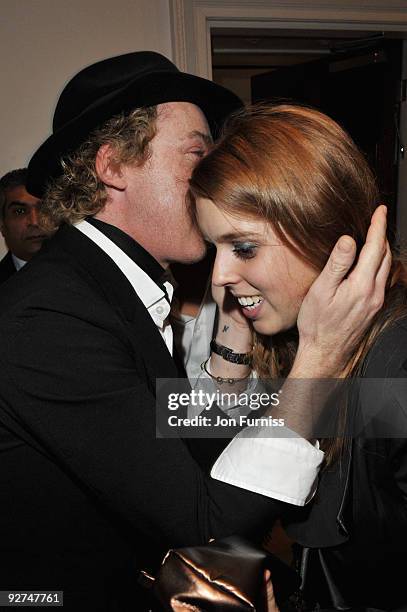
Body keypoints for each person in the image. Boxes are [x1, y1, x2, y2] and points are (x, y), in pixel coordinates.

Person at [0, 53, 389, 611]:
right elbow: (204, 518)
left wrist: (231, 343)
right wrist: (320, 359)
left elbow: (182, 445)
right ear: (113, 167)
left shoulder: (105, 287)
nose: (212, 171)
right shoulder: (51, 316)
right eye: (196, 152)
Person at [189, 103, 407, 610]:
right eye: (213, 249)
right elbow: (196, 446)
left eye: (242, 248)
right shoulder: (293, 339)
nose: (218, 273)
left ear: (321, 233)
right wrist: (234, 336)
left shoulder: (395, 364)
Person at [0, 168, 51, 284]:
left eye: (43, 208)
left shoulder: (87, 272)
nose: (34, 222)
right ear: (2, 223)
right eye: (19, 211)